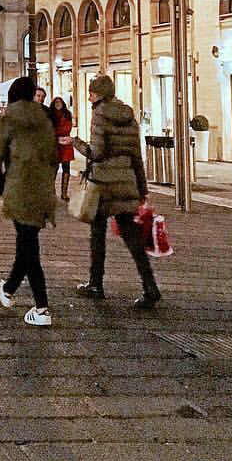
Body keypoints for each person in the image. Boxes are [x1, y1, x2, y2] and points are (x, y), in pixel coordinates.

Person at [74, 74, 160, 310]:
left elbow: (97, 152)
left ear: (99, 95)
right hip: (126, 182)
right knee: (132, 238)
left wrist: (77, 143)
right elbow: (136, 155)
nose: (89, 96)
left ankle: (96, 284)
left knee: (97, 235)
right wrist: (142, 188)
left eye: (91, 92)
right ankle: (150, 286)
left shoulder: (99, 115)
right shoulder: (128, 115)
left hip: (103, 184)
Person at [0, 75, 58, 327]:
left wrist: (0, 185)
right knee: (26, 241)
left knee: (29, 249)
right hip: (42, 189)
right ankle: (7, 290)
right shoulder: (45, 118)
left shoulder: (9, 117)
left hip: (19, 189)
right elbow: (54, 157)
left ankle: (41, 308)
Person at [51, 96, 74, 201]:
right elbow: (49, 129)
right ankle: (52, 192)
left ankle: (64, 193)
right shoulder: (50, 114)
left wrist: (57, 132)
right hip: (54, 144)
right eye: (56, 102)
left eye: (59, 102)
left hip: (66, 145)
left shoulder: (67, 114)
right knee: (53, 169)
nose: (57, 104)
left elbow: (68, 127)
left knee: (66, 169)